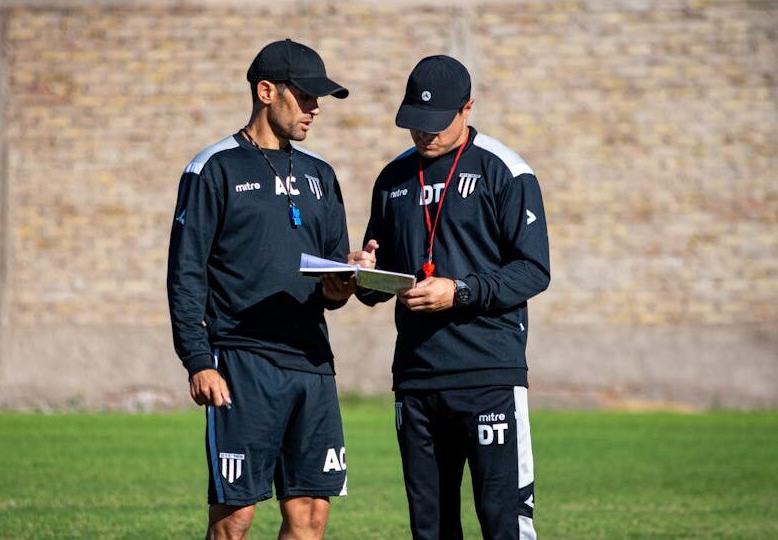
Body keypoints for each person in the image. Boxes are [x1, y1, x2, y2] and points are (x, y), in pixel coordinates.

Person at [349, 55, 550, 540]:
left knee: (504, 522)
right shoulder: (393, 179)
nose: (424, 133)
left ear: (467, 109)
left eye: (436, 122)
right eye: (415, 122)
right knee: (431, 529)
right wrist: (365, 274)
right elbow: (380, 284)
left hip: (488, 375)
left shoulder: (506, 171)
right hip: (416, 380)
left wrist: (458, 292)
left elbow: (533, 271)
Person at [167, 39, 355, 540]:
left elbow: (332, 286)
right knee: (235, 519)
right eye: (305, 96)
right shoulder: (213, 168)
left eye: (319, 99)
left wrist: (348, 279)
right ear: (266, 91)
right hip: (242, 363)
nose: (315, 108)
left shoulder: (321, 174)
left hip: (312, 364)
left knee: (310, 516)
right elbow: (185, 274)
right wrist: (198, 360)